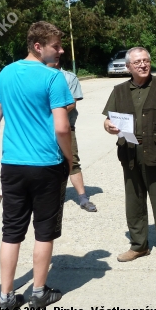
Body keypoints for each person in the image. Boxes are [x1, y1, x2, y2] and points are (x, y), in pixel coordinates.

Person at [0, 21, 73, 310]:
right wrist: (69, 160)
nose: (60, 50)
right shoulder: (53, 78)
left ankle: (6, 297)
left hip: (13, 166)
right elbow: (62, 127)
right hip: (46, 165)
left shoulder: (6, 73)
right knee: (44, 232)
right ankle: (38, 293)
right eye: (55, 46)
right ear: (38, 46)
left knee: (11, 231)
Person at [102, 47, 156, 267]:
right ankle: (139, 245)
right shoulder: (118, 91)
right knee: (134, 202)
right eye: (137, 62)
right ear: (128, 66)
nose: (143, 65)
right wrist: (108, 126)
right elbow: (108, 120)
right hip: (129, 153)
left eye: (146, 60)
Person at [48, 60, 97, 212]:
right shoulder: (38, 76)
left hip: (66, 127)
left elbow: (72, 104)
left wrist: (48, 116)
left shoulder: (69, 78)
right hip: (43, 129)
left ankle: (83, 198)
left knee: (72, 161)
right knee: (46, 163)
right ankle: (47, 198)